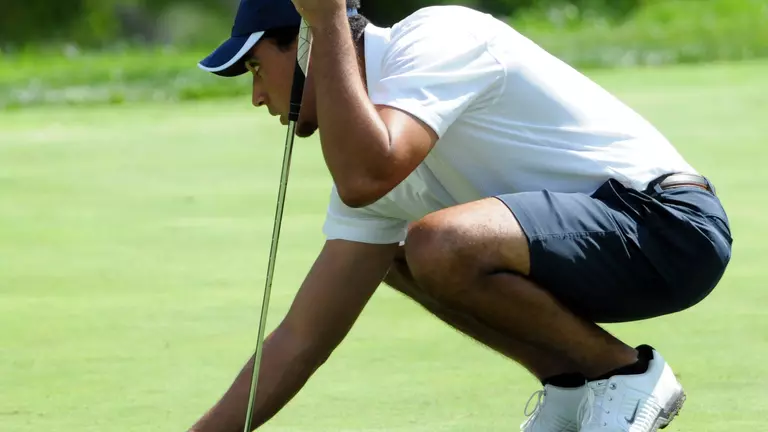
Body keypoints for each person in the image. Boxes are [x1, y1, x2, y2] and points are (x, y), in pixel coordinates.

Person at [191, 0, 733, 431]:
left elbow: (363, 178)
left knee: (438, 244)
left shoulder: (437, 36)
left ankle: (625, 375)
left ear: (305, 41)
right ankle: (573, 389)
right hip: (602, 246)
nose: (259, 96)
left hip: (668, 226)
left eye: (258, 67)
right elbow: (300, 338)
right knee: (399, 259)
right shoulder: (375, 147)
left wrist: (328, 18)